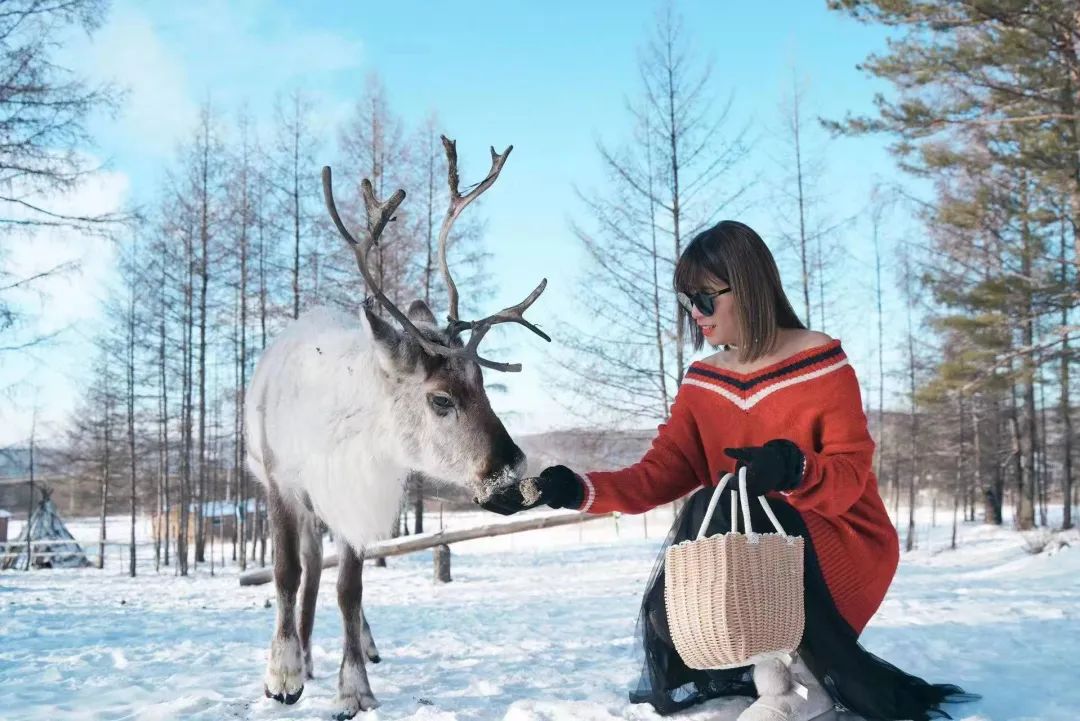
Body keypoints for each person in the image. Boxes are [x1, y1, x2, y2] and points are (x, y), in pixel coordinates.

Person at [481, 221, 973, 721]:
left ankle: (802, 685)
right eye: (685, 302)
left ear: (750, 288)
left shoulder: (820, 363)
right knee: (695, 534)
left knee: (736, 508)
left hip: (840, 536)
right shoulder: (704, 381)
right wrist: (570, 488)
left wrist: (793, 467)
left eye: (705, 298)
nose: (696, 314)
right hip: (750, 540)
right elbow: (657, 475)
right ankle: (771, 672)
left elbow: (849, 476)